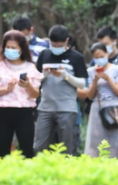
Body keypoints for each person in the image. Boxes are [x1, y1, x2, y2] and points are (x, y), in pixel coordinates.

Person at [33, 25, 88, 155]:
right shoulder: (44, 54)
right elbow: (35, 80)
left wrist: (66, 76)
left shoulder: (76, 57)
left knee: (66, 148)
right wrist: (44, 75)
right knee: (39, 146)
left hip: (67, 108)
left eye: (59, 44)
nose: (56, 47)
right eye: (53, 44)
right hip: (45, 107)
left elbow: (82, 84)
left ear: (66, 41)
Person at [0, 30, 43, 158]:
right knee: (2, 151)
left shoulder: (30, 67)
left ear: (21, 49)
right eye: (7, 47)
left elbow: (35, 94)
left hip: (24, 112)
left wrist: (28, 85)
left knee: (27, 150)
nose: (10, 50)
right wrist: (6, 89)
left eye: (14, 47)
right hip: (3, 111)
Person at [80, 43, 118, 159]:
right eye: (96, 57)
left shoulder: (117, 69)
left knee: (116, 139)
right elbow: (90, 96)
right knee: (97, 141)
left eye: (101, 56)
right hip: (98, 107)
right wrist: (95, 80)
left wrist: (108, 79)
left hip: (114, 107)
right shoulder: (91, 71)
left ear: (107, 54)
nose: (99, 59)